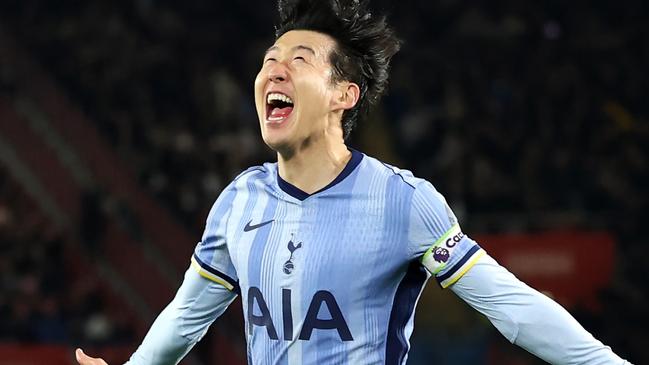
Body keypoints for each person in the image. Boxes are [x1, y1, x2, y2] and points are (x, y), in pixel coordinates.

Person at [76, 0, 631, 364]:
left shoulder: (402, 202)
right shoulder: (238, 200)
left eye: (300, 59)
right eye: (269, 59)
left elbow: (513, 306)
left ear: (345, 94)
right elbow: (185, 317)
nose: (275, 70)